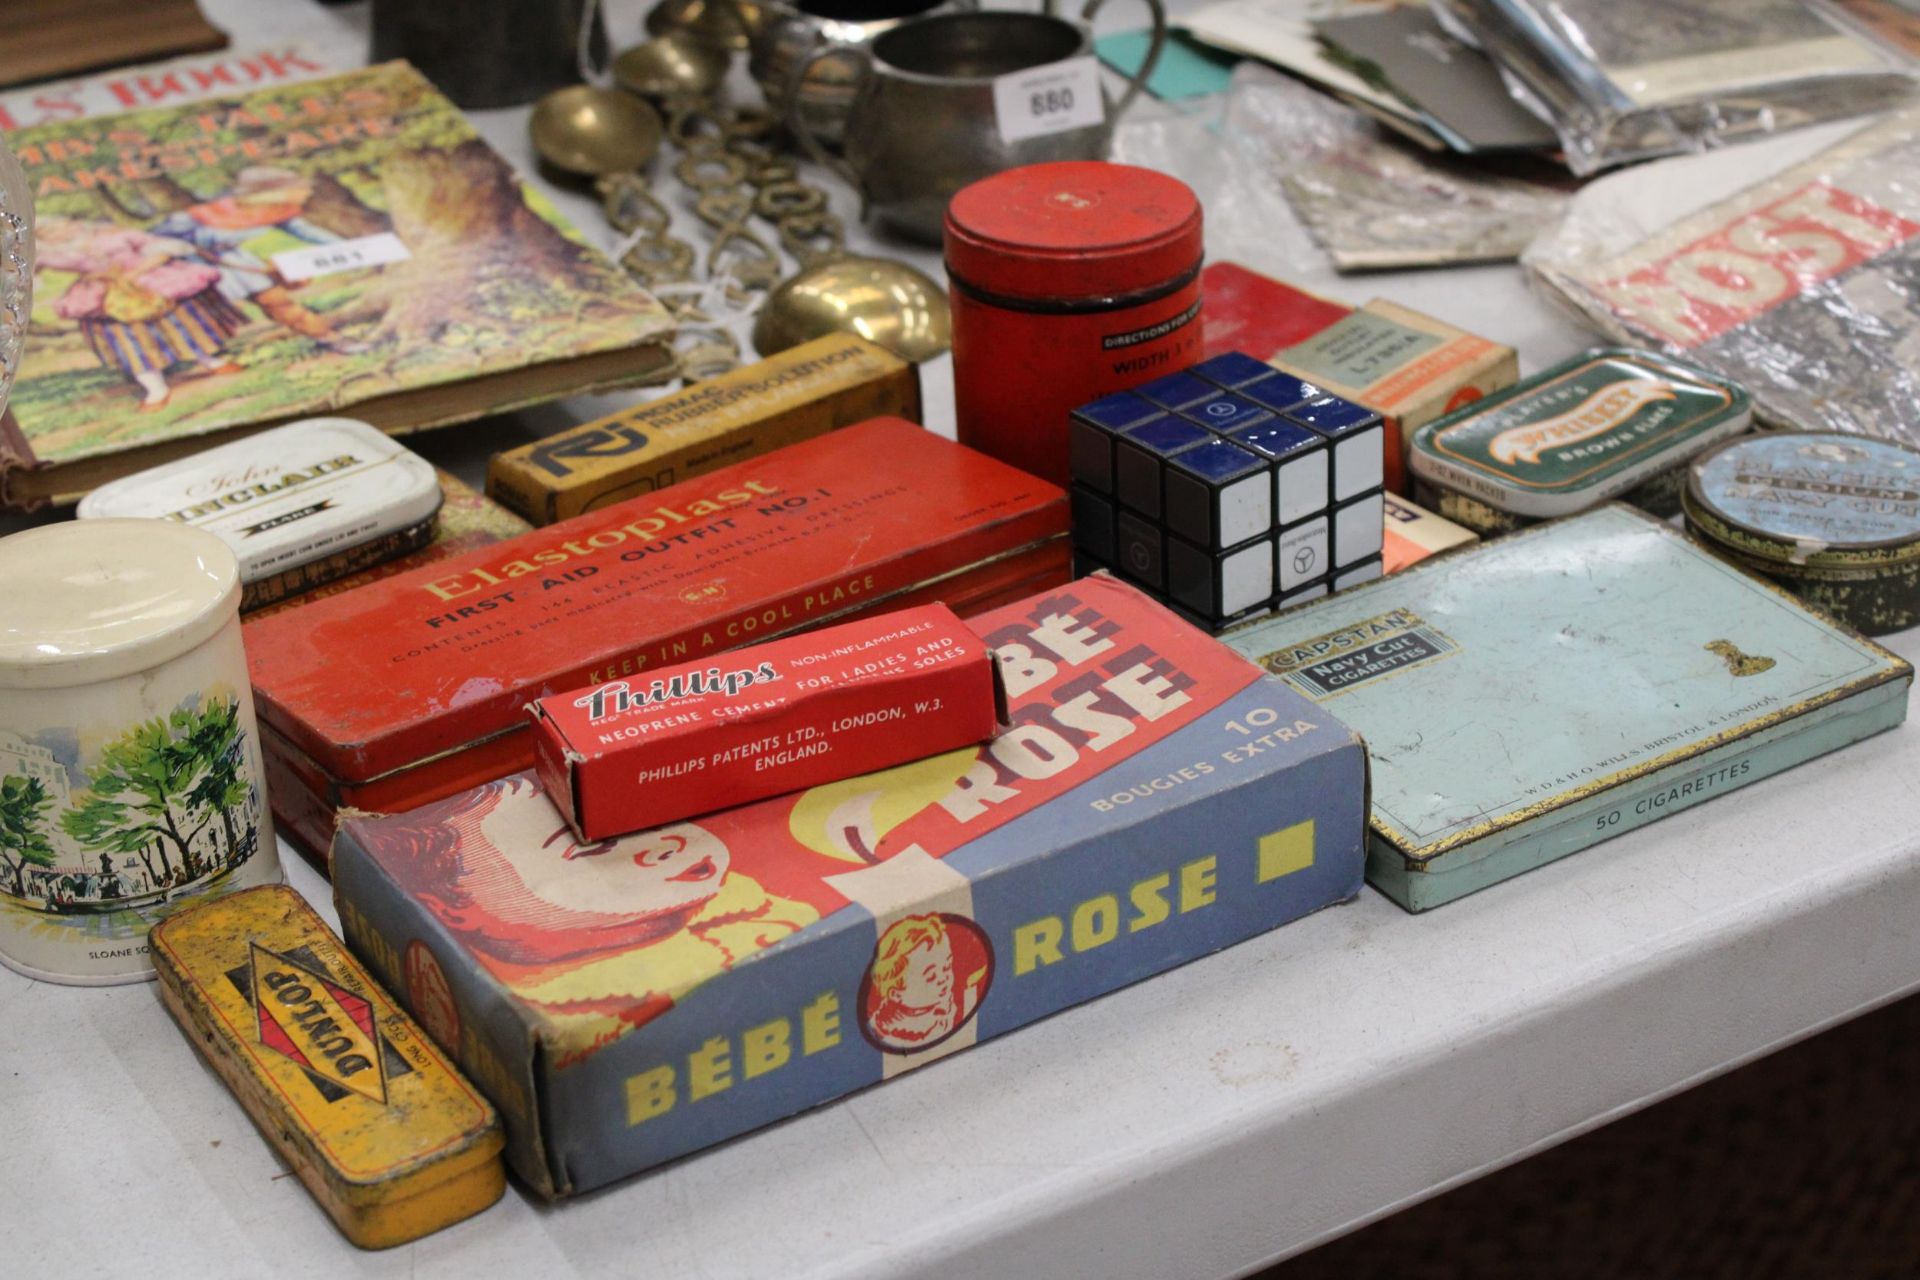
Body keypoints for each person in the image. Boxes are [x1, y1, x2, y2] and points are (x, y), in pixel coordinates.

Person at [359, 773, 817, 1062]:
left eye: (630, 820)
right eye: (592, 846)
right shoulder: (569, 1014)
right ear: (455, 908)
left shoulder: (769, 909)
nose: (668, 843)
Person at [36, 215, 246, 410]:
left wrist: (135, 273)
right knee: (126, 338)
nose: (58, 234)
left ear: (72, 223)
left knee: (179, 323)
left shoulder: (113, 235)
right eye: (47, 234)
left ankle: (211, 361)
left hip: (148, 277)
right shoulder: (53, 254)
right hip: (104, 293)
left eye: (58, 228)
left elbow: (163, 250)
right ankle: (155, 388)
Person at [151, 166, 365, 351]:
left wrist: (348, 250)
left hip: (238, 263)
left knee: (277, 303)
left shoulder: (278, 211)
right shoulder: (199, 215)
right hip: (196, 269)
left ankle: (330, 339)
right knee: (202, 318)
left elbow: (309, 233)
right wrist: (173, 247)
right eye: (296, 187)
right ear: (271, 191)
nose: (306, 192)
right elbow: (154, 241)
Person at [864, 914, 987, 1051]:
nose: (943, 978)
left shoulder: (949, 1005)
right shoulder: (887, 1033)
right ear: (895, 994)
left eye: (947, 967)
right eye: (931, 976)